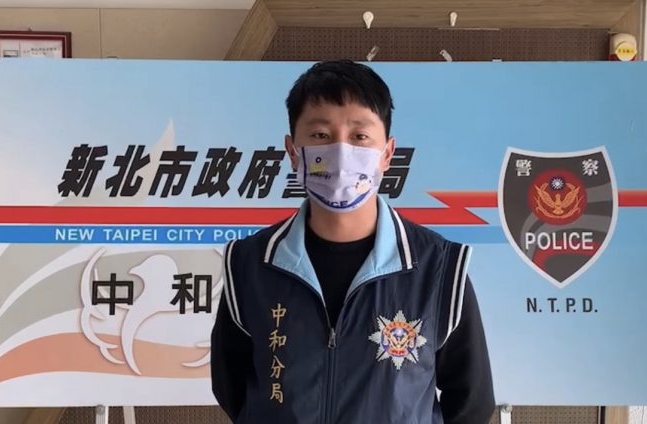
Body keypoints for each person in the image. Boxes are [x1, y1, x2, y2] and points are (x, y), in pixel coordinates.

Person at [211, 60, 495, 424]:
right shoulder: (250, 264)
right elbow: (233, 387)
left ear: (387, 154)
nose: (341, 152)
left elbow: (471, 403)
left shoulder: (439, 269)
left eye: (360, 137)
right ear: (292, 151)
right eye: (320, 135)